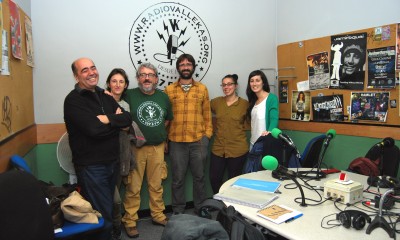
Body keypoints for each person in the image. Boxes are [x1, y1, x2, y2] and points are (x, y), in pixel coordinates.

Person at [64, 57, 132, 240]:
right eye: (84, 70)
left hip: (112, 163)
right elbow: (94, 130)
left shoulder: (104, 95)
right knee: (102, 216)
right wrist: (114, 122)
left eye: (93, 67)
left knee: (108, 208)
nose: (91, 72)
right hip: (92, 168)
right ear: (76, 76)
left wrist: (105, 119)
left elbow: (126, 119)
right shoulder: (73, 100)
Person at [122, 63, 173, 238]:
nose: (147, 78)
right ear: (137, 78)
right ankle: (129, 220)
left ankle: (158, 215)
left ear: (156, 79)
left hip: (157, 148)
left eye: (150, 75)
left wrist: (159, 136)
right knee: (133, 187)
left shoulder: (163, 97)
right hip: (136, 148)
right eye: (143, 75)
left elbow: (167, 120)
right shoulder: (129, 95)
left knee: (156, 185)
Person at [164, 53, 213, 218]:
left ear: (193, 67)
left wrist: (207, 136)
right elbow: (166, 118)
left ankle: (200, 207)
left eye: (188, 64)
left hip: (198, 140)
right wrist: (165, 139)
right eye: (182, 64)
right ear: (178, 68)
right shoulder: (169, 90)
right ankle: (178, 210)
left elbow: (207, 115)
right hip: (176, 141)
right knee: (177, 179)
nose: (185, 67)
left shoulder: (202, 89)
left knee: (199, 177)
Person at [209, 74, 249, 194]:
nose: (226, 87)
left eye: (229, 84)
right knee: (214, 178)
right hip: (218, 148)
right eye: (224, 85)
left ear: (235, 86)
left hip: (238, 149)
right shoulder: (216, 102)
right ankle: (220, 204)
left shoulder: (245, 104)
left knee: (234, 181)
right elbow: (201, 109)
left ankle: (232, 208)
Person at [105, 68, 131, 240]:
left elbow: (126, 127)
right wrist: (116, 120)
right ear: (108, 83)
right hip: (102, 156)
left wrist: (112, 120)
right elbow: (98, 126)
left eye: (121, 81)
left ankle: (115, 227)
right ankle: (107, 227)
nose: (117, 84)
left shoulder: (125, 105)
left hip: (121, 153)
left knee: (116, 197)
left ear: (126, 85)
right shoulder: (101, 101)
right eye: (114, 81)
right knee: (111, 198)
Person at [246, 70, 279, 149]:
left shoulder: (271, 98)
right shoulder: (253, 101)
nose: (254, 84)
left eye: (257, 80)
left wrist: (269, 133)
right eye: (252, 81)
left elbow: (274, 119)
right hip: (253, 143)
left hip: (265, 144)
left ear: (263, 83)